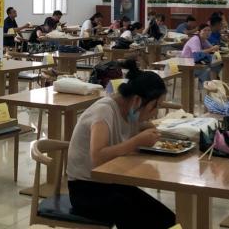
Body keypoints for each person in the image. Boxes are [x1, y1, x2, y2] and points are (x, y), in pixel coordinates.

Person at [66, 67, 175, 228]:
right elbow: (98, 157)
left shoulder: (130, 110)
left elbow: (135, 126)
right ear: (137, 100)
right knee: (140, 219)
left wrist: (150, 129)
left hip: (111, 183)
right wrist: (136, 141)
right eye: (155, 106)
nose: (155, 113)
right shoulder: (104, 111)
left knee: (167, 219)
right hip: (86, 190)